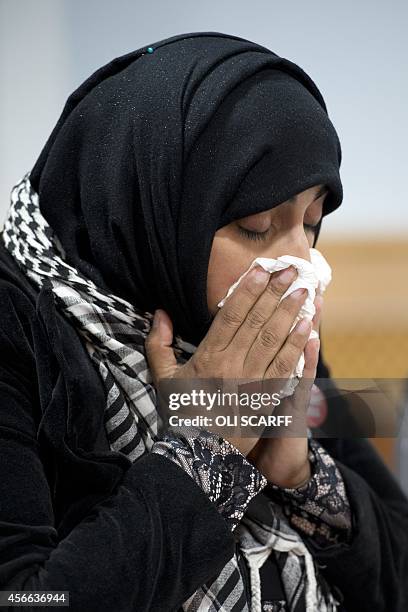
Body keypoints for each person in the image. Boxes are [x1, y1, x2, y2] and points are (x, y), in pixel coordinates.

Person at [0, 31, 407, 612]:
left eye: (313, 222)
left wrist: (302, 474)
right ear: (158, 208)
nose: (297, 267)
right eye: (256, 225)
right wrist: (206, 452)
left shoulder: (273, 334)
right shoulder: (18, 329)